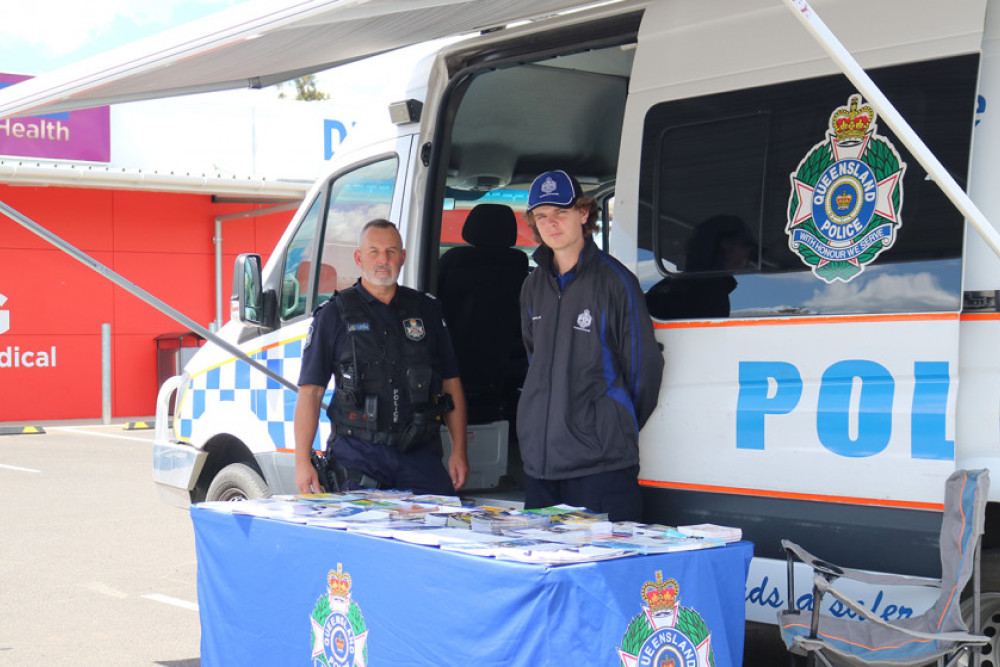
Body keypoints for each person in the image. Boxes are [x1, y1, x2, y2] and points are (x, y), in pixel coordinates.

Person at [517, 170, 664, 521]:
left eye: (560, 213)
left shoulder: (616, 282)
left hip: (600, 468)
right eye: (542, 217)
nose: (551, 224)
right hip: (541, 467)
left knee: (608, 572)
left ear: (583, 215)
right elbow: (535, 362)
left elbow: (644, 369)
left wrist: (609, 422)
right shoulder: (532, 286)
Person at [293, 219, 469, 495]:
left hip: (419, 454)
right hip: (358, 456)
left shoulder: (427, 311)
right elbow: (311, 392)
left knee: (436, 531)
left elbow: (450, 384)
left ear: (403, 257)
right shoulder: (333, 315)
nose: (383, 260)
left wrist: (459, 451)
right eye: (374, 251)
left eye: (391, 251)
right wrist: (302, 462)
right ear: (359, 258)